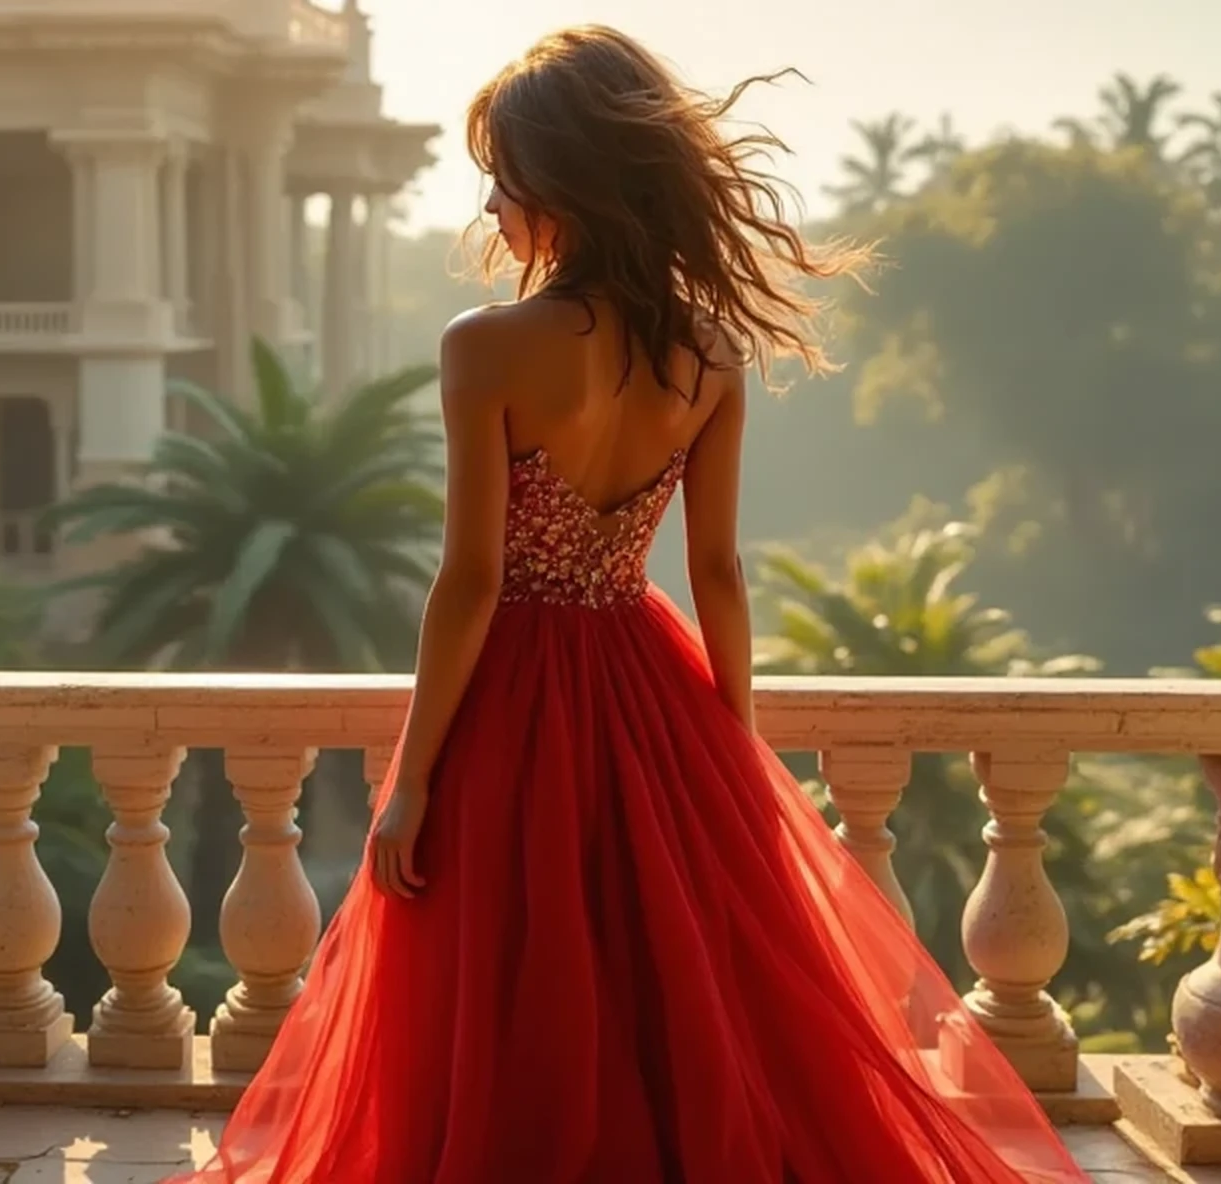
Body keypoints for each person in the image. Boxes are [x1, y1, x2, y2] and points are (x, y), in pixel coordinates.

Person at [171, 25, 1087, 1183]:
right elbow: (717, 575)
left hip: (511, 692)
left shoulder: (485, 347)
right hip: (652, 690)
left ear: (561, 187)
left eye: (503, 177)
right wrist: (735, 746)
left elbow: (470, 580)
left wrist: (408, 784)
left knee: (511, 972)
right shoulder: (706, 355)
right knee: (662, 977)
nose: (492, 206)